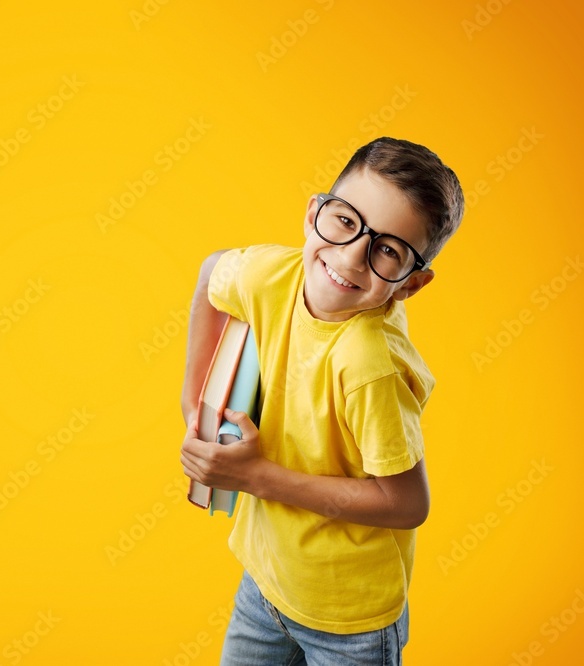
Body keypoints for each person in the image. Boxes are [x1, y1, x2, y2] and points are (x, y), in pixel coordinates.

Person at [179, 137, 464, 665]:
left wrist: (255, 477)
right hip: (266, 584)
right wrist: (196, 401)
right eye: (346, 221)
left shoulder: (368, 365)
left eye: (387, 251)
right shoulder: (270, 276)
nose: (351, 257)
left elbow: (406, 504)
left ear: (411, 284)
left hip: (349, 620)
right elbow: (212, 270)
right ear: (315, 213)